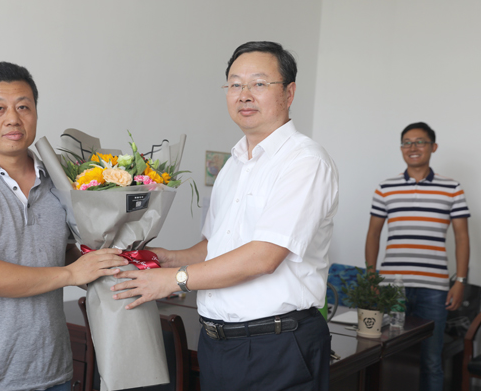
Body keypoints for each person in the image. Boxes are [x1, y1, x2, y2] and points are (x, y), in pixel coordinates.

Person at [111, 41, 339, 391]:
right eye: (235, 84)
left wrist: (174, 280)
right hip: (217, 343)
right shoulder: (234, 165)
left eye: (259, 83)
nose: (244, 95)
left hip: (277, 345)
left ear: (289, 93)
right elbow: (214, 246)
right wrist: (164, 259)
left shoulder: (304, 161)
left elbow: (264, 257)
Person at [0, 61, 127, 391]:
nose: (13, 119)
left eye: (23, 107)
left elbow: (63, 254)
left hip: (53, 373)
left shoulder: (60, 180)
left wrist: (122, 259)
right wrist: (72, 274)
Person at [365, 122, 470, 391]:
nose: (412, 147)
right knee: (387, 356)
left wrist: (460, 281)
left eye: (420, 141)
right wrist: (372, 277)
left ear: (433, 147)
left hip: (433, 289)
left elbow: (462, 237)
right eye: (407, 142)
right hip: (391, 288)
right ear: (401, 148)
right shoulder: (385, 188)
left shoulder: (452, 188)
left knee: (431, 360)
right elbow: (373, 234)